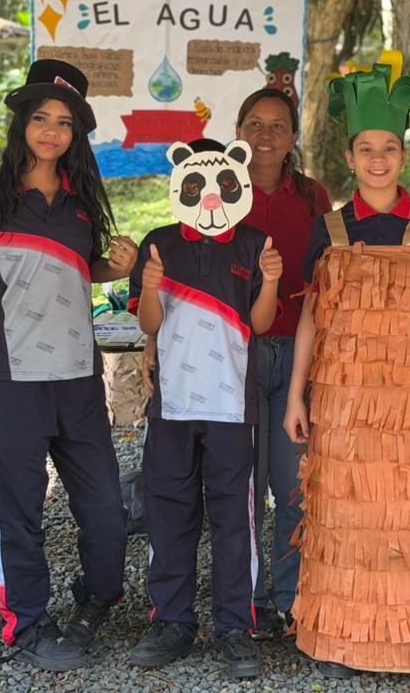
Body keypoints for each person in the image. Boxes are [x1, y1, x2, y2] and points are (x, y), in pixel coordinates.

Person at [0, 60, 137, 672]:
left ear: (76, 134)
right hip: (12, 378)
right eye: (42, 118)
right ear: (23, 123)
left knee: (105, 506)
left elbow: (77, 270)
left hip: (79, 376)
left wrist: (115, 268)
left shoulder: (82, 205)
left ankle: (99, 597)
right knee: (16, 510)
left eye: (66, 122)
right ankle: (24, 623)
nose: (52, 131)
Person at [284, 52, 410, 678]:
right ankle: (339, 642)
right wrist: (295, 397)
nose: (379, 158)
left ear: (403, 155)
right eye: (367, 148)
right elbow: (311, 316)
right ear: (351, 157)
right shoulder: (328, 228)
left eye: (389, 146)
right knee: (344, 509)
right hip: (343, 402)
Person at [127, 137, 281, 680]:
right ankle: (172, 619)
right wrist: (149, 287)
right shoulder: (160, 243)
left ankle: (236, 625)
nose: (210, 196)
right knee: (168, 511)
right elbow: (148, 324)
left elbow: (261, 323)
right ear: (180, 183)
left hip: (233, 407)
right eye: (195, 185)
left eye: (220, 183)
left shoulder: (256, 243)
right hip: (172, 406)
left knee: (235, 516)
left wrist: (276, 278)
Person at [234, 88, 331, 636]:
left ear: (294, 138)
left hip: (300, 356)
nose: (265, 135)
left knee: (294, 485)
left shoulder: (315, 197)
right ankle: (247, 600)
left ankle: (291, 597)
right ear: (238, 129)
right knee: (244, 486)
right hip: (239, 354)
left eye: (277, 126)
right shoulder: (216, 187)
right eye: (254, 123)